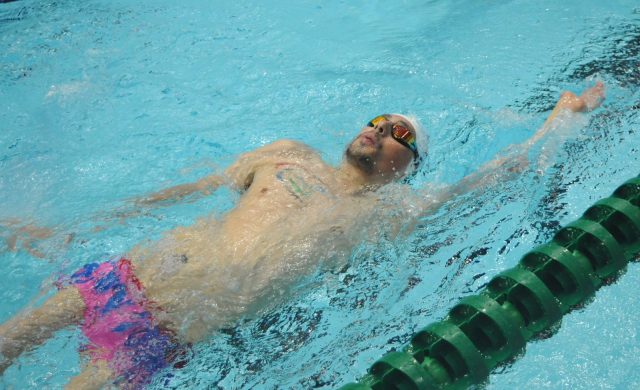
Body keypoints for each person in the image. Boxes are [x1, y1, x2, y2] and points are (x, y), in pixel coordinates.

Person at [0, 82, 605, 389]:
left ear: (407, 166)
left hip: (164, 332)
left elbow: (495, 177)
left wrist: (557, 122)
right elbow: (174, 194)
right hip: (120, 275)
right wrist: (63, 232)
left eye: (398, 132)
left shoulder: (385, 215)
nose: (379, 129)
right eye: (377, 120)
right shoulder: (287, 154)